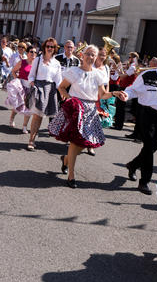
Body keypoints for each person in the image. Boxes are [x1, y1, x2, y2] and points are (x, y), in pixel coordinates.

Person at [49, 45, 121, 188]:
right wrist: (69, 99)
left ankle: (66, 160)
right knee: (75, 142)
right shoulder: (74, 71)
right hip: (76, 109)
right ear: (82, 55)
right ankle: (71, 175)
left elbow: (102, 95)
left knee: (84, 142)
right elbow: (61, 87)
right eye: (88, 54)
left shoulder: (99, 74)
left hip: (90, 110)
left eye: (93, 55)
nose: (90, 57)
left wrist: (114, 93)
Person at [117, 49, 157, 195]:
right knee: (149, 146)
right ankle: (144, 182)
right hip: (147, 115)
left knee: (152, 148)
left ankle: (133, 165)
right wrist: (126, 95)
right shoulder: (147, 75)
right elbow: (133, 90)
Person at [26, 37, 62, 151]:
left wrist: (63, 92)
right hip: (38, 88)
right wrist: (33, 84)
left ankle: (33, 138)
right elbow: (31, 75)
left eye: (52, 47)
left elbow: (58, 81)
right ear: (44, 47)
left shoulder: (56, 63)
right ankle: (31, 141)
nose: (50, 48)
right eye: (48, 46)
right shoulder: (38, 59)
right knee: (36, 115)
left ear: (55, 49)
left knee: (41, 116)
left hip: (50, 90)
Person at [7, 43, 35, 133]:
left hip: (31, 88)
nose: (33, 54)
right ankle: (11, 119)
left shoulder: (37, 65)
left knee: (29, 108)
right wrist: (17, 81)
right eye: (31, 52)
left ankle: (24, 126)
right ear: (27, 53)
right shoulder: (22, 62)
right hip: (21, 86)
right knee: (17, 105)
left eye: (35, 52)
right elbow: (13, 71)